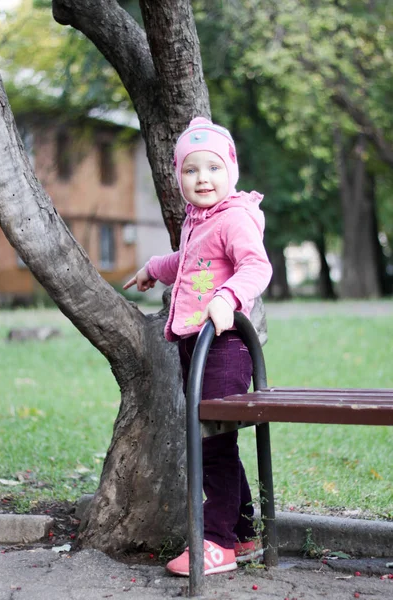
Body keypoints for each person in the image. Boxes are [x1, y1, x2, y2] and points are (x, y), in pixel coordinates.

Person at [123, 117, 272, 576]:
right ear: (179, 178)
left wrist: (229, 298)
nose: (202, 178)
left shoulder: (235, 217)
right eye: (191, 170)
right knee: (214, 441)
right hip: (197, 346)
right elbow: (188, 262)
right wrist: (154, 267)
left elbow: (256, 266)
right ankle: (244, 534)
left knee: (214, 445)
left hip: (225, 346)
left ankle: (218, 541)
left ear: (231, 170)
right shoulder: (197, 221)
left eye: (212, 168)